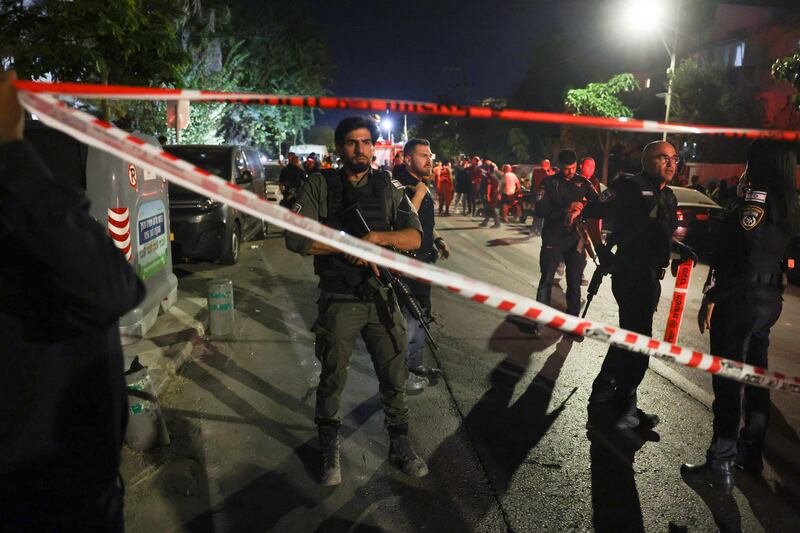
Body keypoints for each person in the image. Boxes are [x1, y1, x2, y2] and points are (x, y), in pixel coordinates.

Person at [0, 70, 145, 530]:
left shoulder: (32, 199)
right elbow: (111, 288)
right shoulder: (25, 186)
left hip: (78, 490)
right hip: (38, 501)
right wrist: (11, 152)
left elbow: (114, 287)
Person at [285, 116, 428, 485]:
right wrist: (346, 244)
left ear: (374, 146)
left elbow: (415, 237)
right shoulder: (320, 183)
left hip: (381, 295)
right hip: (339, 297)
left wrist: (378, 239)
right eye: (351, 143)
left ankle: (399, 443)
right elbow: (296, 238)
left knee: (394, 374)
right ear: (340, 148)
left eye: (366, 142)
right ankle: (329, 447)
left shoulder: (387, 185)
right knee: (333, 376)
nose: (360, 149)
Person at [682, 139, 798, 494]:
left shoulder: (755, 203)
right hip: (769, 298)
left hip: (741, 299)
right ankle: (751, 453)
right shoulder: (788, 204)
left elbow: (741, 258)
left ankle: (721, 462)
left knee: (729, 381)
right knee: (757, 378)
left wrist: (713, 296)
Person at [583, 140, 693, 430]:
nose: (671, 164)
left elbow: (659, 231)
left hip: (650, 276)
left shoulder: (669, 196)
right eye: (662, 158)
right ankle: (625, 407)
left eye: (674, 158)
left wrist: (679, 249)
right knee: (640, 342)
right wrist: (601, 252)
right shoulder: (628, 186)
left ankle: (604, 388)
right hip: (630, 272)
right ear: (646, 161)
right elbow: (591, 212)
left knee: (630, 334)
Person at [393, 139, 451, 392]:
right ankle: (404, 374)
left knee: (421, 314)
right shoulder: (400, 185)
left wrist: (437, 239)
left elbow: (424, 223)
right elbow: (402, 222)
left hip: (424, 259)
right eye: (423, 155)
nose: (429, 160)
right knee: (410, 318)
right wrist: (418, 193)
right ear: (407, 159)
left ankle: (415, 365)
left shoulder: (420, 185)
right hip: (408, 261)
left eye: (430, 155)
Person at [532, 149, 598, 336]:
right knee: (546, 279)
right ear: (559, 166)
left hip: (575, 238)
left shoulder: (583, 182)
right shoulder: (550, 182)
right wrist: (566, 208)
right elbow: (540, 210)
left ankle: (573, 322)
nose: (569, 172)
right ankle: (539, 321)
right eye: (566, 169)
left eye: (573, 168)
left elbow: (597, 205)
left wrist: (581, 209)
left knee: (574, 281)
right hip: (553, 236)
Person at [529, 158, 556, 236]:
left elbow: (533, 183)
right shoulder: (546, 175)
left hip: (535, 194)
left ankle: (535, 230)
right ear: (548, 165)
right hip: (543, 196)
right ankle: (537, 230)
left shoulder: (536, 171)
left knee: (538, 213)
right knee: (541, 213)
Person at [479, 160, 502, 228]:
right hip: (494, 194)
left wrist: (487, 196)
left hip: (491, 195)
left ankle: (497, 223)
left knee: (491, 209)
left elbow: (489, 187)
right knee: (489, 208)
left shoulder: (490, 177)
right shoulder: (495, 176)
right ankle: (485, 222)